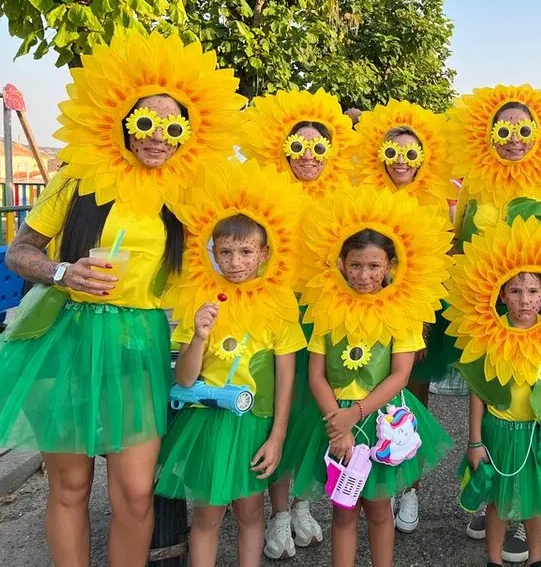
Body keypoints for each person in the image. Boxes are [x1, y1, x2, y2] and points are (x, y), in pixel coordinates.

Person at [0, 31, 243, 567]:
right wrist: (64, 271)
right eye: (146, 122)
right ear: (125, 122)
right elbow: (19, 252)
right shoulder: (78, 179)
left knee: (133, 492)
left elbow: (234, 251)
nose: (159, 136)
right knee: (71, 486)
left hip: (137, 344)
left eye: (173, 127)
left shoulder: (186, 196)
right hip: (68, 339)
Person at [447, 84, 541, 563]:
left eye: (523, 128)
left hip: (539, 311)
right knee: (489, 390)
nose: (513, 137)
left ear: (539, 132)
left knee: (536, 395)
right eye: (503, 129)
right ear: (488, 133)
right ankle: (493, 500)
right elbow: (461, 243)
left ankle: (522, 515)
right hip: (486, 312)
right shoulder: (478, 184)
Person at [284, 186, 453, 567]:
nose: (364, 274)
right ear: (341, 262)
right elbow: (316, 374)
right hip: (334, 418)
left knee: (379, 510)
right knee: (342, 512)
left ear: (390, 267)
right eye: (356, 264)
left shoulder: (402, 311)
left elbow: (400, 375)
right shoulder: (325, 307)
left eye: (374, 266)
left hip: (383, 418)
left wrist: (353, 415)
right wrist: (338, 426)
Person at [156, 159, 308, 567]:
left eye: (246, 252)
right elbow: (185, 379)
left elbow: (286, 377)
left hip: (255, 426)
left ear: (264, 253)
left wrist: (277, 437)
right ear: (213, 254)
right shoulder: (199, 299)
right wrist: (199, 336)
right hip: (208, 425)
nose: (236, 261)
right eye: (226, 252)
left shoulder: (279, 304)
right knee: (206, 515)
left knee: (250, 512)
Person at [243, 88, 357, 557]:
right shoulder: (263, 190)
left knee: (315, 414)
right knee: (278, 407)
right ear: (282, 148)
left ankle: (305, 502)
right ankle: (280, 513)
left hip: (324, 316)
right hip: (275, 314)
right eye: (299, 145)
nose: (308, 155)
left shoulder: (345, 194)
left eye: (318, 146)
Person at [446, 216, 541, 567]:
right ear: (501, 293)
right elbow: (479, 392)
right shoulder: (490, 335)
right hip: (500, 430)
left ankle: (536, 560)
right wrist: (474, 440)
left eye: (532, 291)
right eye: (515, 291)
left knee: (537, 501)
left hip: (540, 432)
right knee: (497, 500)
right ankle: (494, 560)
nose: (524, 300)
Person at [353, 100, 458, 533]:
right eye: (393, 152)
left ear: (424, 158)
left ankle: (409, 488)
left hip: (416, 311)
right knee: (363, 384)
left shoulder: (437, 199)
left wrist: (424, 319)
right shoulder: (362, 191)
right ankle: (366, 480)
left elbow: (443, 257)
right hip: (366, 307)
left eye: (411, 154)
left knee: (413, 394)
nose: (402, 161)